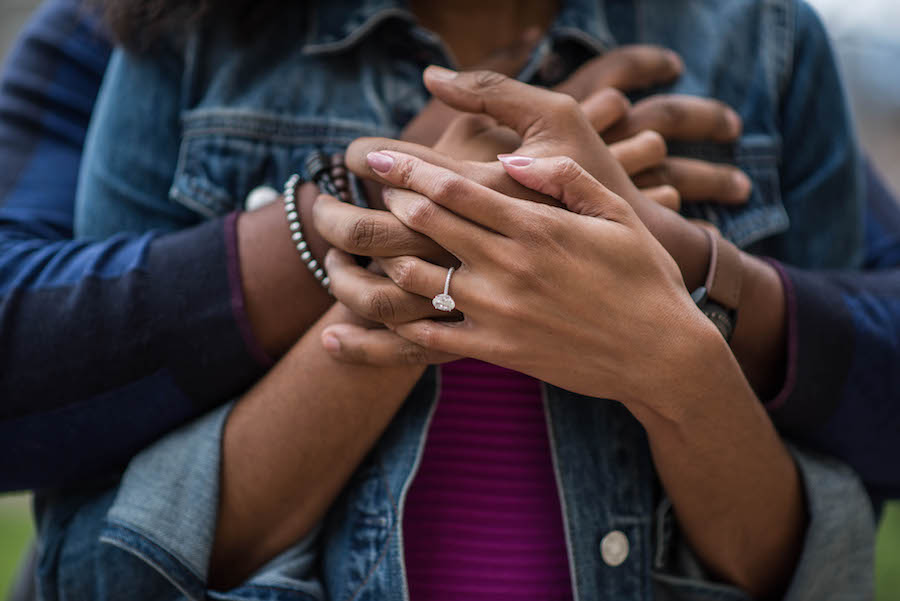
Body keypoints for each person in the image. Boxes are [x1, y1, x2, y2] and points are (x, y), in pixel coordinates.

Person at [24, 1, 882, 600]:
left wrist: (680, 315)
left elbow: (812, 550)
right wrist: (427, 221)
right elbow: (114, 548)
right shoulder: (175, 37)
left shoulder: (767, 41)